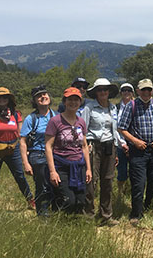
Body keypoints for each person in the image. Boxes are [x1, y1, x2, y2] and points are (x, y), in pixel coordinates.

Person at [117, 78, 153, 225]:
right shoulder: (131, 106)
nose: (146, 92)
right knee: (138, 183)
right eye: (143, 90)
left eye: (149, 90)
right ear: (138, 91)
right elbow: (121, 128)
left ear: (152, 91)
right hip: (138, 151)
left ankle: (149, 208)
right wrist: (135, 141)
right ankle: (136, 213)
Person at [45, 87, 92, 214]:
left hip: (79, 165)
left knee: (81, 200)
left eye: (76, 100)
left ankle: (75, 224)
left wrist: (88, 169)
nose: (73, 102)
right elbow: (48, 147)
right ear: (64, 102)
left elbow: (84, 146)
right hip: (61, 166)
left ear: (80, 102)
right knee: (68, 200)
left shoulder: (81, 122)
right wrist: (52, 172)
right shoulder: (55, 121)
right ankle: (61, 221)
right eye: (70, 99)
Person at [82, 78, 121, 226]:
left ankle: (106, 215)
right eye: (100, 90)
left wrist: (116, 149)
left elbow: (114, 130)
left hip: (109, 146)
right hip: (94, 146)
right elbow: (83, 131)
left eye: (105, 89)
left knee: (108, 180)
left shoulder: (113, 108)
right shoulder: (89, 108)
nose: (103, 92)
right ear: (96, 92)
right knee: (91, 181)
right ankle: (88, 215)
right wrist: (85, 148)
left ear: (109, 92)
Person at [19, 85, 56, 216]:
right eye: (39, 96)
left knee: (55, 184)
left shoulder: (56, 116)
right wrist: (26, 163)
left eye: (45, 94)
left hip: (55, 154)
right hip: (38, 155)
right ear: (34, 101)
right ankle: (43, 215)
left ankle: (55, 211)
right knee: (43, 186)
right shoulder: (31, 119)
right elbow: (22, 142)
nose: (43, 97)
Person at [116, 83, 134, 194]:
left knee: (135, 169)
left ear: (133, 93)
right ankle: (120, 192)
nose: (126, 92)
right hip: (120, 144)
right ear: (120, 93)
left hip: (134, 143)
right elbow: (115, 126)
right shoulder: (116, 108)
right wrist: (122, 143)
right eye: (124, 90)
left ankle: (132, 190)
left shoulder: (137, 106)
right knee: (121, 170)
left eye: (129, 90)